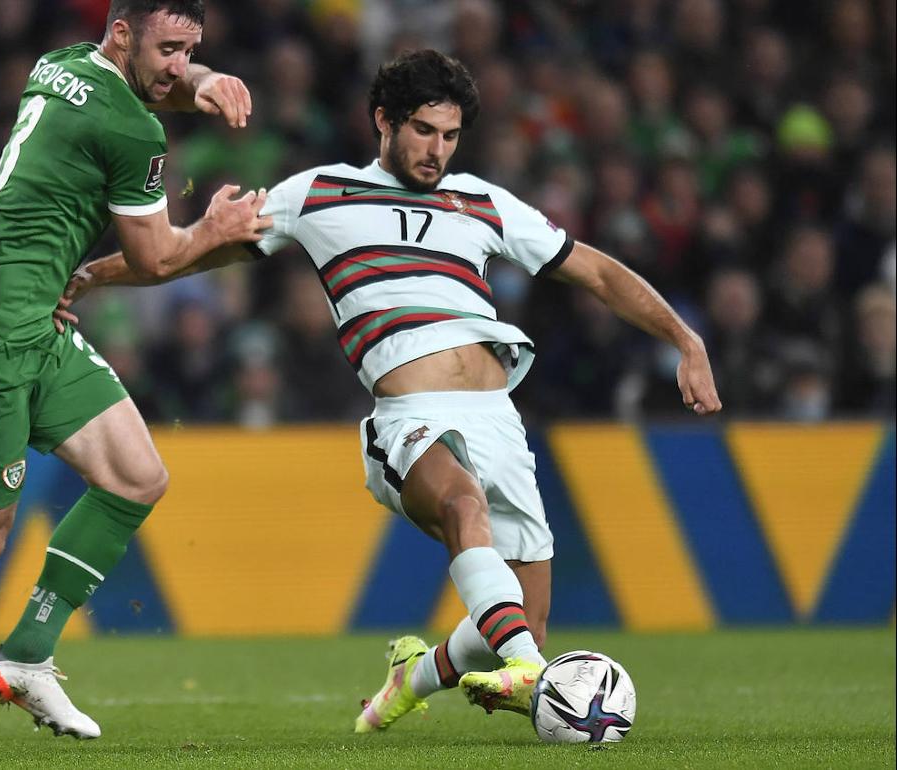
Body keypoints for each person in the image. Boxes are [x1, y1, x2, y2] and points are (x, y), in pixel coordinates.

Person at [57, 49, 721, 732]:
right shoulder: (317, 194)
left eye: (450, 136)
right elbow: (191, 248)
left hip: (499, 418)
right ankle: (530, 675)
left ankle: (419, 676)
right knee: (465, 507)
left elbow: (599, 274)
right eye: (424, 131)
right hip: (408, 417)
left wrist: (685, 340)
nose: (437, 151)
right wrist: (92, 275)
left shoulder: (484, 202)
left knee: (525, 620)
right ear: (384, 120)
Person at [0, 0, 270, 744]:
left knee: (136, 475)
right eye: (166, 48)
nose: (174, 66)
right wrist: (216, 230)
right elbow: (160, 257)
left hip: (35, 323)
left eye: (187, 49)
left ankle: (27, 655)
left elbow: (158, 80)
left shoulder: (59, 64)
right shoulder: (134, 130)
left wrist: (202, 76)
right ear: (122, 32)